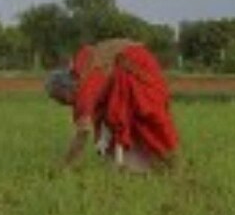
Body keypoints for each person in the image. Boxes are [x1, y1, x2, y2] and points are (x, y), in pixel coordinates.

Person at [45, 38, 179, 173]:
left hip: (136, 68)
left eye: (59, 98)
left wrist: (65, 164)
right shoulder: (82, 66)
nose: (62, 103)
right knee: (113, 113)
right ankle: (127, 161)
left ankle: (160, 162)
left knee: (144, 114)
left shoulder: (85, 91)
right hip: (136, 61)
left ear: (65, 91)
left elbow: (83, 133)